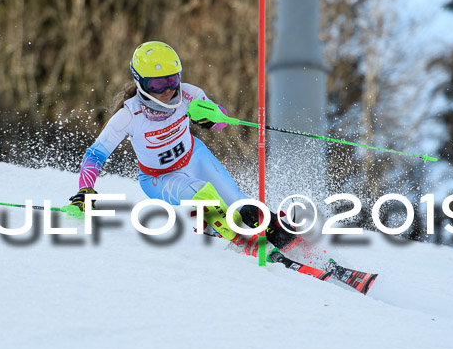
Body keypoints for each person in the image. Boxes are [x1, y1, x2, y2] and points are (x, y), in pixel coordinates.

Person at [68, 41, 296, 250]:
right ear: (141, 83)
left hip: (195, 156)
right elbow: (94, 155)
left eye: (172, 80)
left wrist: (214, 118)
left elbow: (221, 121)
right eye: (158, 84)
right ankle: (242, 240)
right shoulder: (129, 115)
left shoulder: (189, 94)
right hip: (160, 177)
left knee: (238, 202)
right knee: (203, 195)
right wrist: (84, 190)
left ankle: (279, 234)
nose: (167, 90)